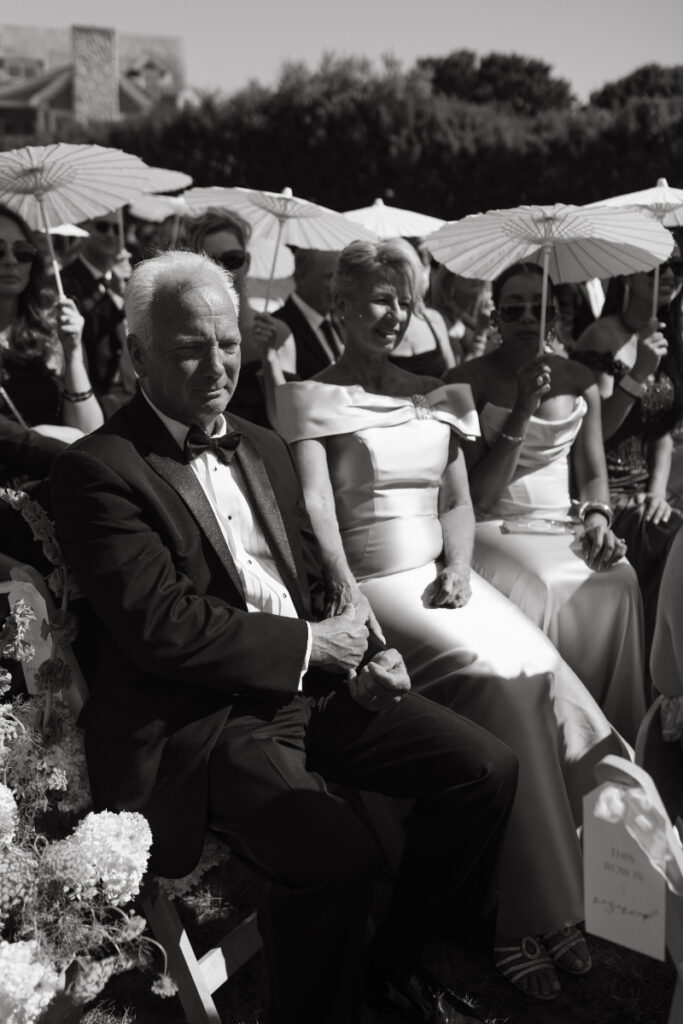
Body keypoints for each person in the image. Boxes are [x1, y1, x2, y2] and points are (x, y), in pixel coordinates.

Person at [50, 250, 518, 1024]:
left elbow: (310, 580)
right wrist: (310, 647)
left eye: (228, 343)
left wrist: (365, 657)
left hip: (321, 689)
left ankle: (387, 964)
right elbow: (159, 627)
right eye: (190, 348)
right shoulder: (100, 469)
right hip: (212, 718)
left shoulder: (263, 443)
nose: (216, 365)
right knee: (341, 856)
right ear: (135, 354)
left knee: (485, 770)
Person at [275, 239, 627, 1002]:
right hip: (378, 585)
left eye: (404, 300)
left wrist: (461, 567)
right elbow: (315, 509)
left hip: (445, 579)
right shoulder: (306, 397)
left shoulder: (437, 392)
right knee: (497, 680)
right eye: (378, 297)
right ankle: (514, 919)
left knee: (543, 674)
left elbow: (457, 502)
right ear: (337, 305)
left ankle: (562, 890)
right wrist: (347, 591)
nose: (394, 313)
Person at [445, 263, 645, 741]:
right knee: (546, 581)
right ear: (495, 315)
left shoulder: (581, 379)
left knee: (621, 576)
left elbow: (593, 473)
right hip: (494, 524)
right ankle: (546, 731)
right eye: (515, 307)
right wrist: (523, 408)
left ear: (554, 315)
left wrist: (598, 519)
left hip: (563, 522)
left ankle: (612, 733)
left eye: (540, 307)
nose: (528, 316)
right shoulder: (465, 378)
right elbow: (477, 495)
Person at [573, 249, 683, 656]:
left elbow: (663, 432)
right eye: (658, 268)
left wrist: (656, 494)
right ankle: (658, 663)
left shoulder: (668, 336)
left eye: (677, 267)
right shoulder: (601, 337)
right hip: (607, 490)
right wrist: (638, 374)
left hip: (650, 492)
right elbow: (594, 433)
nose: (670, 275)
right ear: (629, 276)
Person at [0, 204, 103, 486]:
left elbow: (90, 432)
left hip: (58, 491)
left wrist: (72, 354)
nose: (11, 260)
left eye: (22, 252)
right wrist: (41, 434)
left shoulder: (50, 330)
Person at [187, 208, 295, 427]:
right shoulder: (184, 334)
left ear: (248, 261)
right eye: (211, 262)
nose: (223, 272)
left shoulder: (277, 333)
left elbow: (287, 423)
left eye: (232, 259)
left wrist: (270, 358)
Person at [61, 211, 136, 416]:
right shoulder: (65, 282)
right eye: (103, 226)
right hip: (95, 395)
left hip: (133, 391)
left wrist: (126, 293)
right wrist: (108, 295)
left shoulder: (128, 279)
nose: (111, 234)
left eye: (117, 228)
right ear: (83, 229)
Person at [387, 238, 456, 377]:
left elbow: (452, 377)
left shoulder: (433, 319)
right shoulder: (376, 329)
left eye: (406, 274)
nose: (400, 284)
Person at [273, 248, 344, 378]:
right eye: (329, 277)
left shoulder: (342, 323)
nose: (337, 286)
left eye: (339, 277)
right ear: (302, 277)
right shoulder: (278, 328)